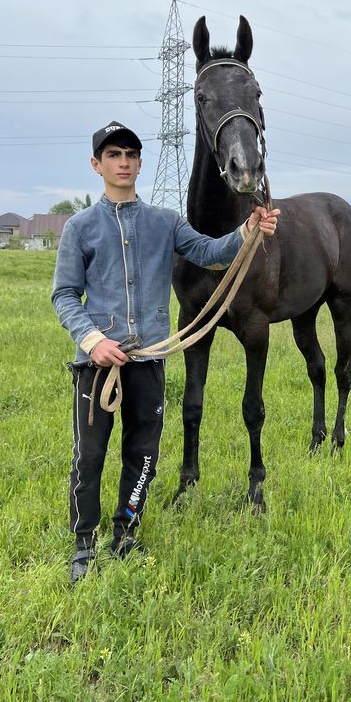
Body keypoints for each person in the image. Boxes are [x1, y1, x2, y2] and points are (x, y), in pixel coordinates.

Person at [52, 121, 279, 583]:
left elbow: (212, 253)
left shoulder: (165, 222)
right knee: (90, 456)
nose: (123, 162)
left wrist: (248, 230)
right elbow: (64, 295)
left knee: (144, 455)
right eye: (113, 155)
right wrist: (93, 341)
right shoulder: (79, 228)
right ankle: (84, 543)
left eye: (131, 155)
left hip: (149, 360)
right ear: (97, 165)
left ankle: (127, 531)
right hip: (98, 366)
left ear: (139, 163)